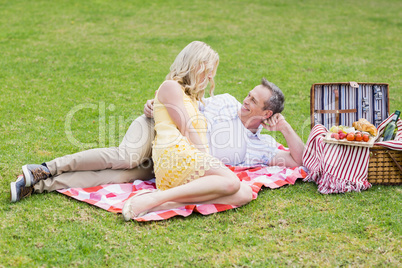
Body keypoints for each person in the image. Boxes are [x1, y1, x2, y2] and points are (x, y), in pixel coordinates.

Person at [10, 67, 304, 203]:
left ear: (267, 114)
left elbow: (297, 161)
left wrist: (287, 129)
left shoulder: (260, 146)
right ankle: (45, 169)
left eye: (254, 101)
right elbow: (183, 99)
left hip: (170, 162)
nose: (246, 101)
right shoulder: (226, 101)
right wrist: (156, 104)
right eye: (249, 95)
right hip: (157, 130)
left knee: (120, 177)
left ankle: (36, 187)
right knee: (122, 158)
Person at [122, 41, 254, 220]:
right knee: (231, 182)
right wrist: (208, 160)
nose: (209, 79)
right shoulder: (171, 86)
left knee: (245, 193)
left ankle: (165, 203)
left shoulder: (190, 97)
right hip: (174, 153)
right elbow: (186, 128)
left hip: (187, 156)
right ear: (195, 66)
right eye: (207, 73)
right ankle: (156, 197)